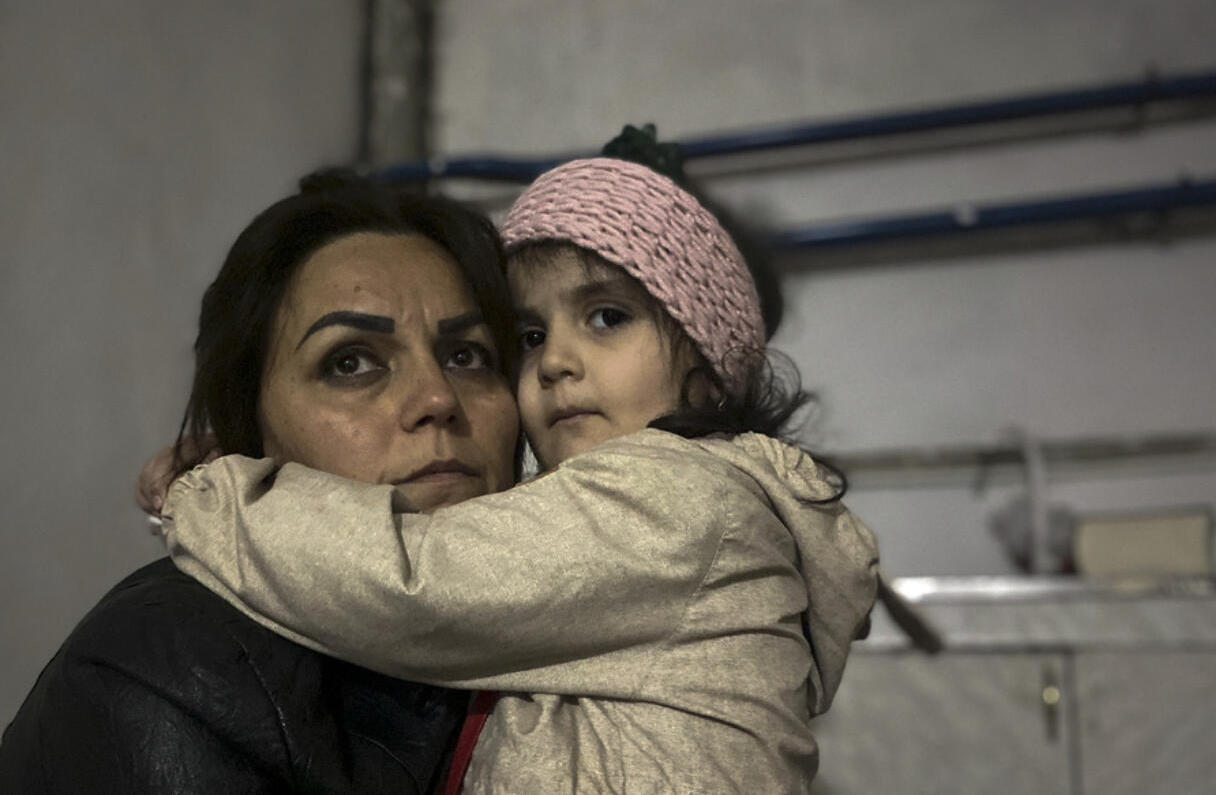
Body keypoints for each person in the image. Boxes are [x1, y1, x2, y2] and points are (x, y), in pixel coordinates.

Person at [157, 130, 882, 793]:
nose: (557, 362)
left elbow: (418, 584)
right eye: (530, 334)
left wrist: (213, 495)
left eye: (607, 316)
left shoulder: (683, 500)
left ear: (708, 366)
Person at [0, 172, 522, 794]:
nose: (437, 398)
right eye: (349, 362)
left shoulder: (578, 612)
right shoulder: (172, 677)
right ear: (251, 428)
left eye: (467, 356)